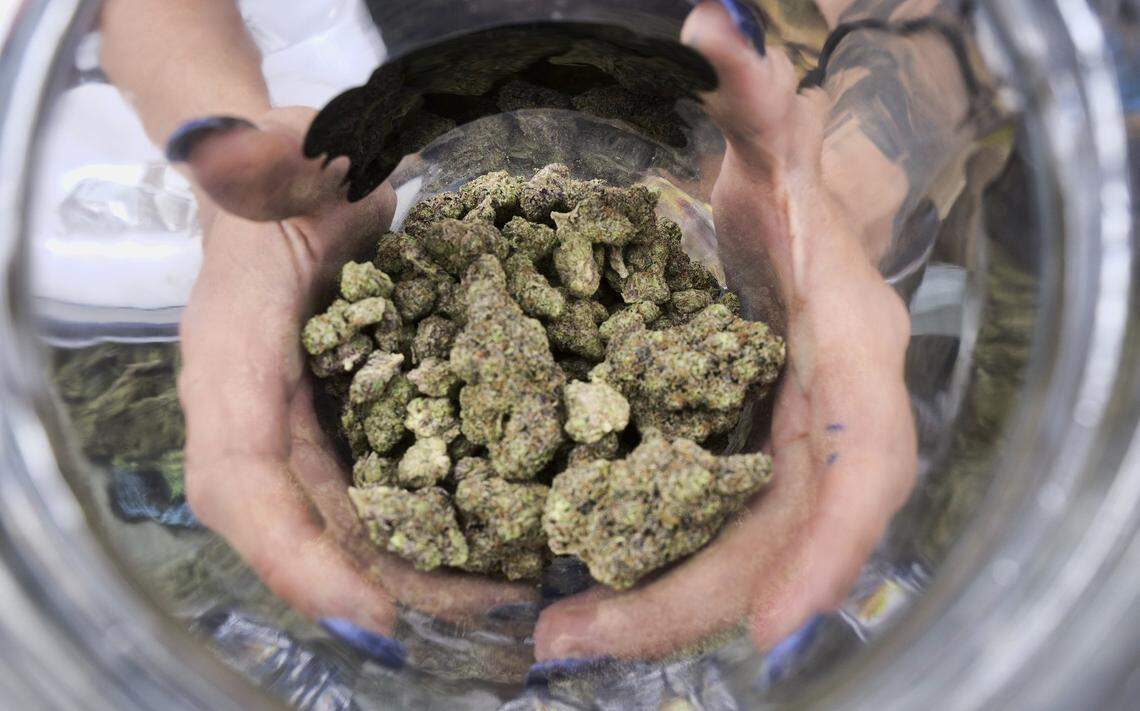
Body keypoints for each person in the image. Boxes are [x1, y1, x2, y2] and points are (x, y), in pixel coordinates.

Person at [100, 0, 917, 668]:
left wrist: (852, 172)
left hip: (727, 125)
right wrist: (234, 171)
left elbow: (946, 21)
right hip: (371, 123)